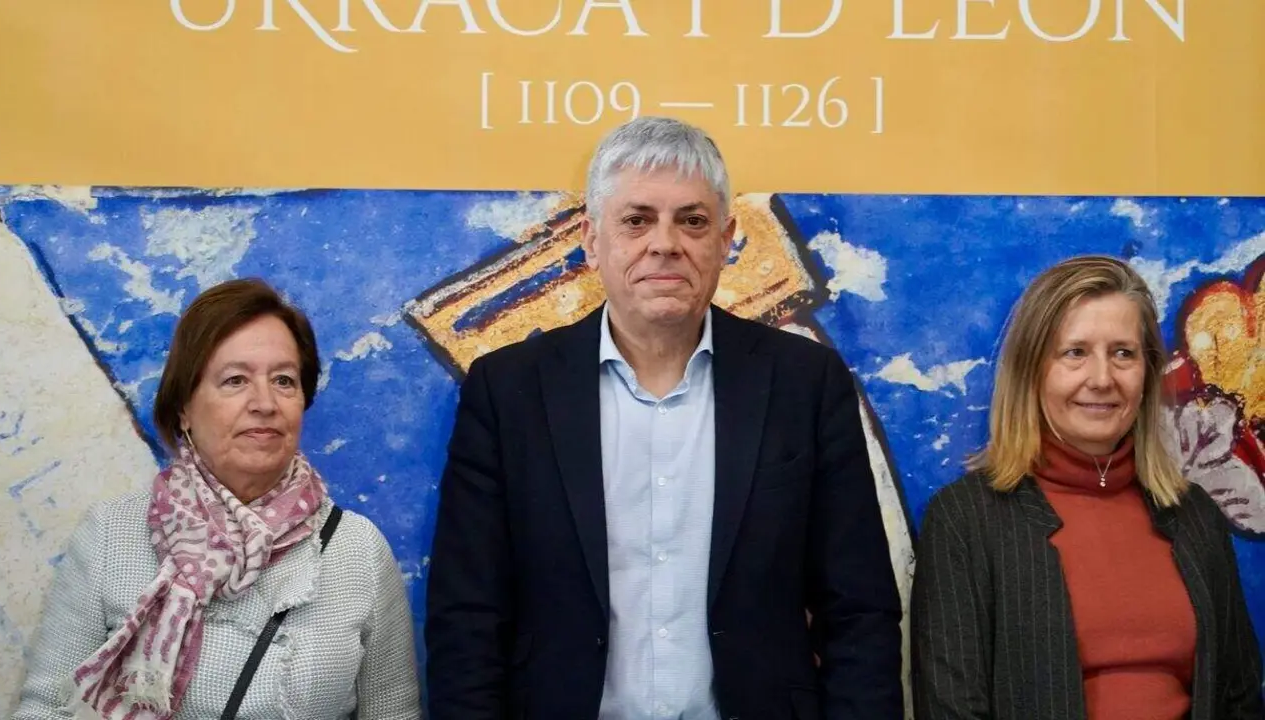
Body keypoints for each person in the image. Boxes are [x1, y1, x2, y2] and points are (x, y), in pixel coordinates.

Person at [425, 116, 904, 720]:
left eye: (693, 220)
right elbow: (467, 615)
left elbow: (858, 610)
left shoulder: (805, 383)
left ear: (726, 239)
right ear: (591, 239)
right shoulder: (509, 391)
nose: (665, 243)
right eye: (637, 219)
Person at [14, 279, 422, 720]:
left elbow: (393, 713)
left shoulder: (356, 551)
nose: (264, 403)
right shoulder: (111, 535)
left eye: (284, 380)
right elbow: (47, 709)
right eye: (235, 380)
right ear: (185, 407)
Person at [911, 255, 1263, 720]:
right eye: (1074, 352)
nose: (1102, 379)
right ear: (1032, 370)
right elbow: (951, 709)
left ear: (1146, 372)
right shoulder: (965, 518)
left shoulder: (1193, 512)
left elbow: (1238, 697)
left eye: (1123, 353)